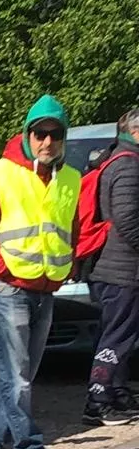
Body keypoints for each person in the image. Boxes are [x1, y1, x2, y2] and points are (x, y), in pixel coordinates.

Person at [0, 95, 82, 449]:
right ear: (27, 134)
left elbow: (71, 228)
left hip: (45, 290)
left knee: (18, 378)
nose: (47, 141)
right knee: (17, 379)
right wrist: (5, 270)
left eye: (55, 134)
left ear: (63, 138)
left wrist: (67, 266)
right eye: (39, 133)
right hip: (6, 290)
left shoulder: (71, 179)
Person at [83, 108, 139, 426]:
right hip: (122, 269)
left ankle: (115, 391)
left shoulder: (118, 159)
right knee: (116, 337)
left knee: (118, 335)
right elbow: (127, 220)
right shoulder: (128, 165)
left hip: (115, 267)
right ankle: (98, 400)